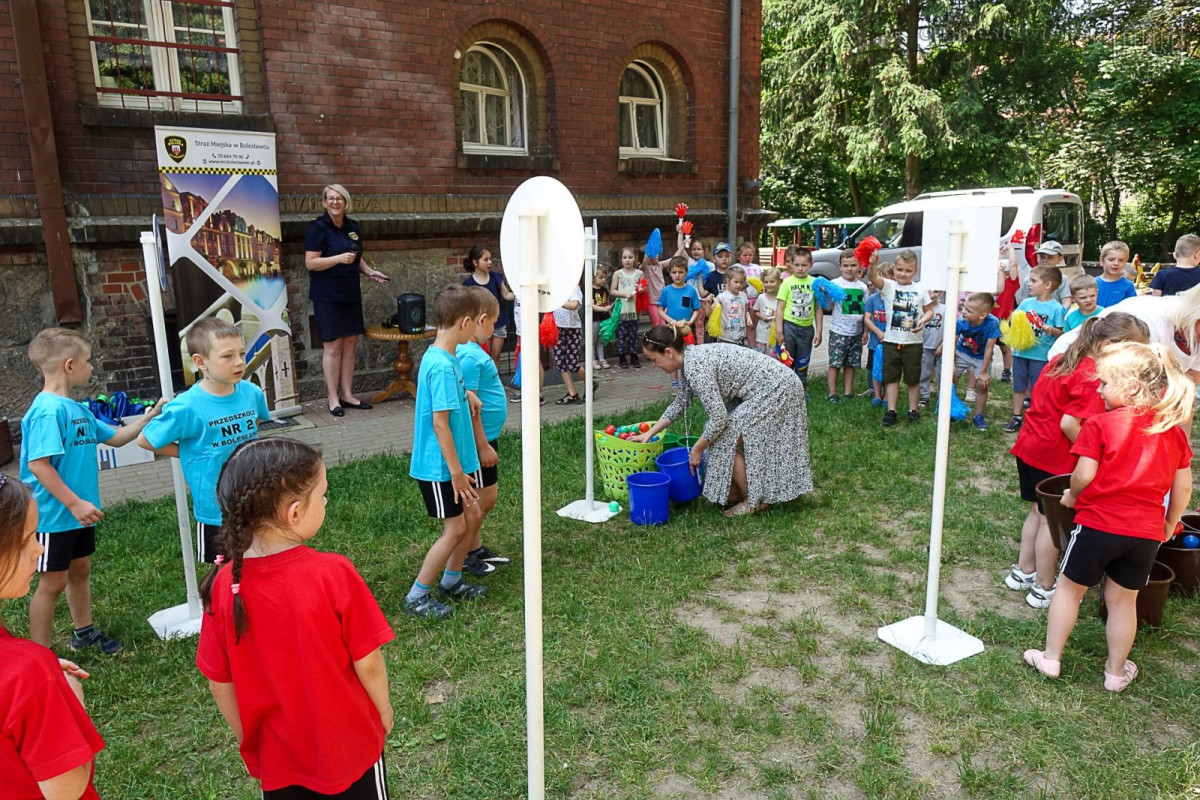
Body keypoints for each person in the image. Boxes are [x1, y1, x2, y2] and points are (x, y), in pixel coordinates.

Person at [196, 438, 395, 797]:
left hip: (277, 759)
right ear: (294, 512)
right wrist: (383, 712)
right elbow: (368, 663)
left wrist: (248, 740)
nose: (326, 501)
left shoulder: (224, 584)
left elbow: (218, 682)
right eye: (322, 495)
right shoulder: (332, 573)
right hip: (351, 748)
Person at [1025, 341, 1193, 692]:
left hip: (1098, 526)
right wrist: (1167, 523)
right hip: (1145, 534)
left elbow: (1084, 475)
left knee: (1070, 591)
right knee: (1122, 601)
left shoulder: (1100, 425)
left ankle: (1051, 657)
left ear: (1131, 385)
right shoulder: (1174, 432)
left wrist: (1072, 495)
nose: (1098, 390)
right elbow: (1183, 490)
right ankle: (1116, 673)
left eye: (1103, 383)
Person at [21, 328, 163, 654]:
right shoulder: (48, 411)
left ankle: (83, 633)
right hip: (54, 517)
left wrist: (150, 417)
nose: (92, 368)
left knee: (79, 571)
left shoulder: (79, 410)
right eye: (88, 362)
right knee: (52, 583)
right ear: (70, 366)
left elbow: (115, 438)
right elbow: (38, 465)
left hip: (79, 515)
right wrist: (74, 504)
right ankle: (39, 655)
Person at [1006, 314, 1149, 608]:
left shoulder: (1064, 359)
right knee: (1051, 522)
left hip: (1031, 447)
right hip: (1054, 457)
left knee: (1036, 512)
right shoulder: (1092, 376)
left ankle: (1023, 572)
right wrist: (1092, 456)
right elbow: (1070, 424)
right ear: (1108, 346)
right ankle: (1044, 587)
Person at [631, 326, 813, 517]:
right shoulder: (689, 361)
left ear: (668, 353)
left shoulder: (696, 367)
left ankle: (753, 501)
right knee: (717, 435)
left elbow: (719, 419)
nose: (654, 365)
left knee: (723, 437)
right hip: (772, 386)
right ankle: (734, 493)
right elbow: (680, 403)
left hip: (778, 388)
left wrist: (698, 448)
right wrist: (649, 433)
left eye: (653, 359)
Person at [0, 473, 105, 800]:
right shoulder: (29, 673)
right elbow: (66, 789)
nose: (39, 548)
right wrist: (68, 698)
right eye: (25, 540)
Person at [138, 318, 271, 564]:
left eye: (241, 353)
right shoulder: (186, 406)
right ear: (200, 362)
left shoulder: (251, 393)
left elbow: (258, 421)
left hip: (253, 494)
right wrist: (188, 452)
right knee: (222, 569)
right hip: (214, 505)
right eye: (227, 356)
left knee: (257, 559)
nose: (239, 362)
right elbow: (146, 440)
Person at [404, 285, 487, 620]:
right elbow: (440, 425)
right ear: (465, 323)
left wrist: (467, 394)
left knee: (472, 518)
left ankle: (451, 583)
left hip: (456, 464)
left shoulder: (444, 359)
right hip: (441, 468)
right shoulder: (440, 366)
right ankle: (417, 595)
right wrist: (455, 473)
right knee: (454, 529)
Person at [304, 184, 390, 417]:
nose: (334, 202)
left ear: (346, 202)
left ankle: (348, 394)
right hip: (327, 296)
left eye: (339, 198)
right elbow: (311, 263)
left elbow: (356, 258)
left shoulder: (353, 227)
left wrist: (370, 271)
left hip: (350, 293)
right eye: (330, 199)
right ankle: (333, 398)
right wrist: (338, 258)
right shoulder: (317, 228)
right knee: (332, 347)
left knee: (350, 344)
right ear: (324, 202)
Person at [457, 287, 512, 578]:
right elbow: (470, 406)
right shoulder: (467, 355)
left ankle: (474, 547)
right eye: (492, 322)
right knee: (484, 499)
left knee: (483, 499)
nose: (494, 329)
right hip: (479, 442)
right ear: (478, 320)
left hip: (487, 438)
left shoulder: (473, 351)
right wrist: (481, 446)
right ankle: (464, 553)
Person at [1048, 282, 1200, 385]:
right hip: (1074, 370)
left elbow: (1185, 393)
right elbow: (1125, 390)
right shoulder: (1145, 326)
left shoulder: (1192, 328)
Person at [866, 251, 934, 426]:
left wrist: (923, 320)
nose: (903, 274)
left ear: (915, 271)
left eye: (908, 270)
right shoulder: (889, 286)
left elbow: (929, 311)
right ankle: (891, 410)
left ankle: (913, 410)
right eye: (900, 269)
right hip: (891, 341)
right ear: (894, 269)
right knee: (891, 378)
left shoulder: (920, 289)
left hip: (913, 342)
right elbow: (873, 277)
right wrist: (872, 263)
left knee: (913, 378)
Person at [1002, 266, 1066, 433]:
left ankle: (1034, 417)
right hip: (1021, 352)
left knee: (1038, 388)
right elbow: (1013, 321)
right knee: (1019, 385)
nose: (1028, 284)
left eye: (1033, 281)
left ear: (1048, 285)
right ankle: (1016, 416)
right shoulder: (1025, 303)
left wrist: (1051, 330)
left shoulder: (1056, 308)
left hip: (1041, 355)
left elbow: (1061, 331)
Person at [461, 245, 515, 373]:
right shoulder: (469, 284)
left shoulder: (496, 277)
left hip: (498, 322)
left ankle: (495, 380)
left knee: (495, 356)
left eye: (490, 259)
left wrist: (522, 293)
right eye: (486, 260)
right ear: (475, 262)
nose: (490, 262)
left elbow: (507, 294)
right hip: (480, 325)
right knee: (484, 355)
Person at [953, 293, 1001, 430]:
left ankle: (978, 416)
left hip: (980, 356)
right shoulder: (961, 321)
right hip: (962, 352)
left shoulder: (993, 323)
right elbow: (953, 342)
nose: (963, 312)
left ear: (982, 315)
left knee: (982, 384)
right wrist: (951, 364)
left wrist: (983, 371)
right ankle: (952, 408)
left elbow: (989, 348)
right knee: (951, 377)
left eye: (969, 311)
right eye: (964, 308)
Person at [775, 245, 823, 385]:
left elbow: (818, 307)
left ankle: (801, 388)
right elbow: (780, 308)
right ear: (791, 264)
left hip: (807, 329)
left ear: (811, 265)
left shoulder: (814, 283)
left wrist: (819, 330)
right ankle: (785, 388)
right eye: (796, 265)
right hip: (789, 326)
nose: (800, 268)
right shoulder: (787, 283)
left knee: (803, 359)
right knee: (787, 359)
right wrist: (779, 331)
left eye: (804, 265)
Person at [826, 250, 868, 402]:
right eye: (846, 265)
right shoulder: (835, 284)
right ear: (840, 266)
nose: (849, 269)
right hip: (838, 332)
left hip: (856, 332)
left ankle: (848, 392)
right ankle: (832, 393)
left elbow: (866, 310)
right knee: (835, 363)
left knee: (851, 364)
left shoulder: (862, 287)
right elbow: (828, 305)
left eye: (853, 265)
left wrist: (865, 331)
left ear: (859, 266)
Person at [657, 256, 702, 389]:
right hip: (671, 330)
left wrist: (690, 322)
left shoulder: (691, 290)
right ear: (670, 273)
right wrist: (671, 321)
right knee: (672, 355)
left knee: (688, 356)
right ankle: (675, 383)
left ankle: (687, 382)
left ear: (686, 272)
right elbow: (659, 309)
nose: (677, 275)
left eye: (680, 272)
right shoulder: (666, 290)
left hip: (686, 329)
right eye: (674, 272)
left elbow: (696, 309)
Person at [863, 262, 893, 406]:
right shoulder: (872, 299)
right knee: (874, 367)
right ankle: (876, 394)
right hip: (876, 342)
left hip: (891, 342)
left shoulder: (894, 299)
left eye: (884, 278)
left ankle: (888, 396)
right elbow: (867, 319)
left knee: (889, 369)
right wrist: (878, 332)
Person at [552, 281, 587, 404]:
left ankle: (590, 383)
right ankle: (572, 393)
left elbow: (574, 305)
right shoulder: (554, 287)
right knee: (560, 362)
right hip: (558, 328)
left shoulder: (573, 287)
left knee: (572, 364)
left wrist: (556, 301)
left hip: (572, 329)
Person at [609, 247, 644, 368]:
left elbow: (643, 289)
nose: (627, 260)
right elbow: (612, 291)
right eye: (625, 257)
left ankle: (634, 355)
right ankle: (622, 356)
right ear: (621, 259)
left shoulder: (640, 273)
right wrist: (624, 294)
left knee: (634, 334)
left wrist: (641, 290)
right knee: (622, 334)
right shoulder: (618, 274)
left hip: (634, 309)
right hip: (622, 309)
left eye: (630, 257)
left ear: (635, 259)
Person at [994, 243, 1019, 382]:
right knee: (987, 345)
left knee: (1004, 346)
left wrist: (1011, 250)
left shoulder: (1012, 282)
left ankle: (1006, 370)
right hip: (990, 317)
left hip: (1004, 319)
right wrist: (1000, 255)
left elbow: (1014, 266)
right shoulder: (993, 281)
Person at [918, 291, 946, 408]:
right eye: (929, 291)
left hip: (940, 346)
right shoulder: (920, 308)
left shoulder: (945, 309)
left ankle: (943, 397)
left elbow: (950, 329)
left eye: (936, 291)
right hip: (924, 345)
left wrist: (942, 345)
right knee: (924, 371)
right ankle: (924, 395)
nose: (932, 294)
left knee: (942, 373)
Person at [713, 266, 750, 346]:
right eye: (736, 282)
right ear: (728, 281)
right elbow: (709, 312)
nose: (738, 285)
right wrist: (709, 304)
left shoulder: (743, 295)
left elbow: (746, 311)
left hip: (740, 337)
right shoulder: (721, 296)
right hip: (725, 338)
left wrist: (749, 319)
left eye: (741, 282)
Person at [1094, 240, 1137, 308]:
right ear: (1102, 261)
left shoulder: (1128, 285)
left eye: (1121, 260)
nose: (1116, 263)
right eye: (1111, 259)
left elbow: (1131, 309)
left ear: (1125, 263)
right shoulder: (1092, 283)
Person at [736, 243, 763, 349]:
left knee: (753, 323)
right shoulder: (737, 267)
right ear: (738, 256)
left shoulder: (757, 268)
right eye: (745, 255)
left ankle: (753, 345)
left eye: (750, 255)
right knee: (745, 323)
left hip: (756, 299)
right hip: (742, 299)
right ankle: (746, 343)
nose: (748, 257)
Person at [752, 267, 781, 355]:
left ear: (779, 283)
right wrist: (761, 316)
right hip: (761, 335)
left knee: (774, 358)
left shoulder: (781, 298)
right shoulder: (761, 297)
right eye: (766, 282)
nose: (769, 284)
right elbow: (755, 311)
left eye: (772, 281)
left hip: (775, 335)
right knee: (760, 357)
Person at [591, 264, 614, 369]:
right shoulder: (590, 290)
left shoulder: (605, 290)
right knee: (593, 339)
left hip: (604, 319)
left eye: (604, 277)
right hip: (594, 319)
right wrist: (604, 309)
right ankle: (592, 359)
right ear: (593, 278)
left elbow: (607, 302)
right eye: (600, 277)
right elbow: (592, 306)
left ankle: (601, 358)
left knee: (601, 340)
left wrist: (611, 315)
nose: (603, 280)